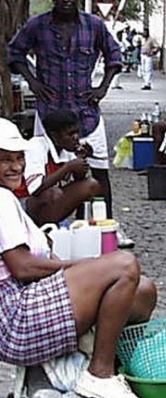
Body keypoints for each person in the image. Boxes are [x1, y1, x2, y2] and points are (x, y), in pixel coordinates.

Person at [0, 119, 157, 398]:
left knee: (142, 291)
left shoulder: (7, 198)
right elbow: (22, 267)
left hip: (29, 305)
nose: (15, 167)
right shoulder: (1, 200)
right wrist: (86, 267)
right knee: (123, 264)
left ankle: (97, 360)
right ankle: (99, 375)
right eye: (4, 160)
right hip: (17, 318)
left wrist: (87, 271)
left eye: (18, 158)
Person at [8, 0, 124, 240]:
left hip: (87, 114)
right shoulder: (37, 26)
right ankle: (43, 231)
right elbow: (14, 53)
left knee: (99, 173)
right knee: (48, 178)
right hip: (50, 114)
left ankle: (106, 229)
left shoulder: (94, 26)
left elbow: (115, 55)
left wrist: (102, 88)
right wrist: (32, 80)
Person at [13, 109, 103, 226]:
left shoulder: (65, 149)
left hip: (44, 202)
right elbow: (35, 189)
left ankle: (70, 225)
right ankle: (44, 230)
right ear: (54, 135)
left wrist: (81, 161)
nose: (75, 137)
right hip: (22, 203)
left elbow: (78, 180)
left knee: (91, 185)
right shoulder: (36, 146)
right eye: (70, 134)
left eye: (77, 132)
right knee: (53, 194)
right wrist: (68, 167)